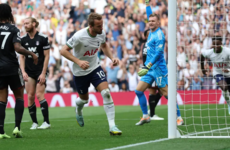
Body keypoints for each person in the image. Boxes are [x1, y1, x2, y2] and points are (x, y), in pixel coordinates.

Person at [60, 13, 122, 135]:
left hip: (95, 67)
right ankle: (78, 110)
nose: (101, 28)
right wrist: (78, 61)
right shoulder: (79, 36)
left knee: (106, 93)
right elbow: (63, 50)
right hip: (80, 71)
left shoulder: (101, 33)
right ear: (91, 26)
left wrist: (111, 57)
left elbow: (104, 45)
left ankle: (112, 126)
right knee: (84, 100)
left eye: (102, 25)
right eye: (98, 26)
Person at [135, 0, 184, 126]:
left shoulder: (159, 35)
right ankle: (146, 116)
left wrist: (148, 65)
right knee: (139, 91)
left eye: (153, 21)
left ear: (158, 23)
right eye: (149, 21)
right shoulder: (151, 31)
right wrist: (147, 4)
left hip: (158, 69)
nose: (150, 22)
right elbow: (150, 15)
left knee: (167, 94)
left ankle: (179, 117)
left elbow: (158, 53)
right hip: (150, 69)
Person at [0, 4, 38, 139]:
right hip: (11, 67)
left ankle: (1, 132)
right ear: (10, 13)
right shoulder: (13, 29)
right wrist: (31, 54)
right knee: (19, 97)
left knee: (2, 100)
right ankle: (17, 128)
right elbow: (17, 48)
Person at [20, 17, 51, 130]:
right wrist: (23, 72)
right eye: (24, 23)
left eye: (27, 23)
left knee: (39, 94)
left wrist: (43, 73)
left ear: (34, 24)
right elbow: (22, 57)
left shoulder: (43, 38)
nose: (25, 25)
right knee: (30, 96)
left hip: (40, 71)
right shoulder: (22, 39)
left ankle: (46, 122)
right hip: (28, 71)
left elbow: (47, 56)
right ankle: (34, 123)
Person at [201, 36, 230, 114]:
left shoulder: (227, 52)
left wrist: (228, 70)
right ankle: (229, 104)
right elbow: (202, 56)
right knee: (224, 87)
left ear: (221, 44)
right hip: (218, 73)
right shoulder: (210, 52)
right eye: (214, 44)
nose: (216, 46)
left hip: (229, 73)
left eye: (217, 44)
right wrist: (203, 69)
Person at [142, 29, 164, 120]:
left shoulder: (145, 45)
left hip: (152, 69)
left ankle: (151, 111)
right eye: (149, 35)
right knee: (153, 91)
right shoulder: (149, 45)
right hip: (153, 69)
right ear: (146, 37)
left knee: (161, 91)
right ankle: (152, 114)